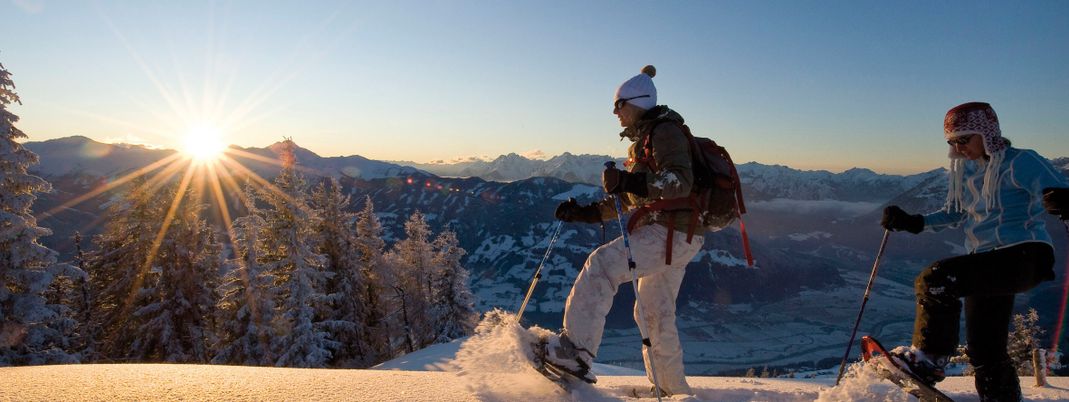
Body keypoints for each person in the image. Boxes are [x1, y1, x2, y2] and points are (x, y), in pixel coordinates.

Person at [881, 101, 1069, 401]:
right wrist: (914, 222)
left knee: (937, 279)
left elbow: (1057, 185)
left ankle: (929, 360)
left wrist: (1060, 197)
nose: (957, 148)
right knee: (985, 350)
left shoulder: (1020, 161)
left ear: (987, 133)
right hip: (987, 262)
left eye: (963, 139)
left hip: (1024, 254)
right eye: (952, 142)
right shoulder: (968, 172)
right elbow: (955, 213)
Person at [545, 65, 704, 396]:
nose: (615, 112)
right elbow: (636, 196)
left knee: (601, 265)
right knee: (653, 311)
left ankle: (575, 353)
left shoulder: (664, 133)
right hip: (679, 233)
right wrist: (587, 214)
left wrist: (629, 180)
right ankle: (673, 391)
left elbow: (679, 182)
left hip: (671, 232)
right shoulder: (647, 139)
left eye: (620, 105)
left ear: (638, 102)